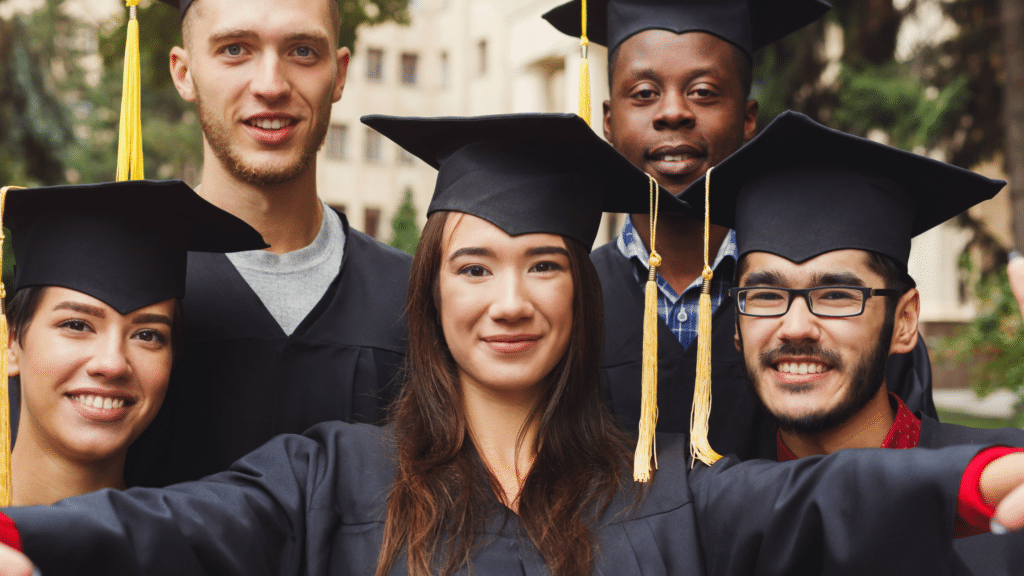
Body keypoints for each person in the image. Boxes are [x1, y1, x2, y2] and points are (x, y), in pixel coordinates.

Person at [0, 113, 1022, 576]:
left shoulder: (662, 489)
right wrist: (22, 540)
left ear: (578, 294)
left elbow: (819, 498)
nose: (508, 300)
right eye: (472, 266)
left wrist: (977, 480)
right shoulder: (328, 478)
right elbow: (168, 531)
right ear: (432, 293)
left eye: (543, 263)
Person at [543, 0, 937, 460]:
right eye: (645, 93)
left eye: (704, 92)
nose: (673, 112)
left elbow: (914, 476)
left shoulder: (845, 312)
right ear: (608, 122)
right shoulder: (565, 299)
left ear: (748, 119)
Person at [676, 110, 1024, 574]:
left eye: (836, 295)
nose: (795, 326)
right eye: (765, 295)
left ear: (903, 322)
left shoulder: (1011, 482)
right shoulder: (693, 514)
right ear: (737, 330)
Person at [126, 0, 413, 487]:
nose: (271, 85)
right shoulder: (126, 283)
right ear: (184, 72)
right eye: (235, 49)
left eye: (302, 51)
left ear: (339, 74)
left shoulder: (415, 298)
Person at [2, 180, 264, 506]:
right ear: (10, 341)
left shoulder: (181, 551)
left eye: (147, 335)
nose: (112, 364)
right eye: (77, 325)